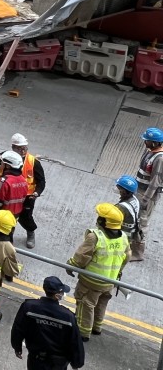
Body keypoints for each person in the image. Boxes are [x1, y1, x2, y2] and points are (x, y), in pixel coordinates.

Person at [66, 203, 130, 342]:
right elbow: (127, 257)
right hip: (110, 282)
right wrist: (118, 272)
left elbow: (81, 257)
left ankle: (83, 333)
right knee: (102, 303)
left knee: (86, 304)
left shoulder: (95, 237)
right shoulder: (123, 237)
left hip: (91, 281)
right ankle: (97, 327)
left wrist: (71, 266)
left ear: (103, 220)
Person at [10, 275, 85, 369]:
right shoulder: (68, 317)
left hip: (35, 361)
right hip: (58, 364)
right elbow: (75, 342)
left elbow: (18, 328)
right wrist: (76, 363)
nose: (62, 294)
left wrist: (17, 347)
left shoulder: (28, 307)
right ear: (57, 295)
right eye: (61, 292)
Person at [0, 133, 45, 248]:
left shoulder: (33, 162)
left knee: (25, 217)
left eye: (25, 148)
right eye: (20, 148)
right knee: (0, 215)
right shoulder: (7, 157)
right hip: (6, 193)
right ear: (13, 148)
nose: (23, 151)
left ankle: (30, 231)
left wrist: (37, 192)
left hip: (27, 196)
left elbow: (41, 181)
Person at [135, 127, 163, 256]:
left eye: (147, 140)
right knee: (135, 218)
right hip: (139, 190)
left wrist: (146, 199)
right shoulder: (149, 151)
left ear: (155, 142)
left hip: (147, 195)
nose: (145, 142)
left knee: (142, 221)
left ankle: (137, 252)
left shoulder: (160, 159)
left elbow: (155, 182)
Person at [0, 150, 28, 227]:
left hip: (1, 217)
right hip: (14, 216)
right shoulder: (23, 180)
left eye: (2, 163)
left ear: (8, 166)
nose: (1, 165)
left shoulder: (4, 182)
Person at [115, 174, 142, 262]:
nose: (117, 189)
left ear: (124, 191)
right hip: (130, 234)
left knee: (116, 256)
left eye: (119, 188)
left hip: (120, 236)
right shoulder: (135, 200)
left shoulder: (122, 207)